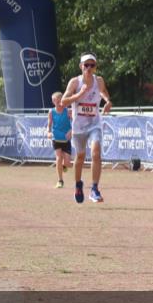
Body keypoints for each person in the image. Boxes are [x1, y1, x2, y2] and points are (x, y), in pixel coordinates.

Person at [61, 53, 112, 204]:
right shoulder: (75, 82)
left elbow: (103, 92)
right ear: (81, 66)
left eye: (92, 65)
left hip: (94, 123)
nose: (89, 68)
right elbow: (63, 101)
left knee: (96, 153)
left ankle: (94, 189)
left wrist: (108, 101)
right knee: (80, 157)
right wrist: (80, 94)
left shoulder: (99, 81)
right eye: (86, 65)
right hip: (78, 126)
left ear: (95, 67)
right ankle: (78, 185)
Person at [46, 91, 73, 188]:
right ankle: (60, 181)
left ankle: (65, 165)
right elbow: (49, 125)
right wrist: (48, 132)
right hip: (56, 138)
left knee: (68, 163)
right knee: (58, 158)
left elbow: (75, 122)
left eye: (59, 100)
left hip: (66, 139)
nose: (57, 102)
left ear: (62, 100)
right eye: (55, 101)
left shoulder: (68, 111)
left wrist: (71, 131)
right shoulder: (51, 112)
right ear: (53, 101)